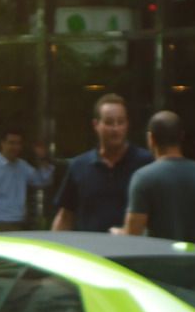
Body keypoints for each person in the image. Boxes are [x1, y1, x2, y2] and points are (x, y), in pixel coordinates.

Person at [120, 110, 195, 248]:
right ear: (181, 136)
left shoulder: (143, 178)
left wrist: (119, 234)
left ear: (151, 139)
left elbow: (132, 235)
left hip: (158, 266)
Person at [51, 93, 153, 232]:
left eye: (120, 122)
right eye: (109, 122)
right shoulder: (79, 166)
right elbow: (65, 216)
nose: (116, 128)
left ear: (127, 124)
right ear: (96, 124)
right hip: (89, 251)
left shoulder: (145, 163)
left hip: (133, 251)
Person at [0, 128, 53, 231]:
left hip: (20, 221)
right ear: (2, 143)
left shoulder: (22, 166)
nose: (15, 147)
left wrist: (42, 158)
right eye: (11, 143)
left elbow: (43, 181)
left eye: (18, 143)